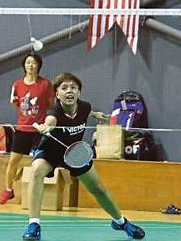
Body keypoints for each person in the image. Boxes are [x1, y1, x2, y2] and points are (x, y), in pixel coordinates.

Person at [22, 72, 145, 240]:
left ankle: (121, 222)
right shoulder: (54, 111)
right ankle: (33, 224)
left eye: (73, 87)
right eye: (64, 88)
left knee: (99, 189)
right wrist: (46, 127)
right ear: (57, 94)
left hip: (74, 153)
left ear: (79, 92)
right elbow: (51, 121)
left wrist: (96, 115)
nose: (69, 91)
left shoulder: (85, 107)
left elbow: (86, 112)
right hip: (50, 152)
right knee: (36, 171)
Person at [0, 53, 55, 204]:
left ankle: (39, 193)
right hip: (22, 129)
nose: (30, 65)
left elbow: (51, 104)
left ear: (38, 66)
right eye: (28, 63)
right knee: (13, 161)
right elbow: (15, 103)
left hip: (39, 130)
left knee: (40, 162)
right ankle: (8, 190)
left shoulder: (46, 84)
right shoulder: (17, 85)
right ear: (24, 65)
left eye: (34, 63)